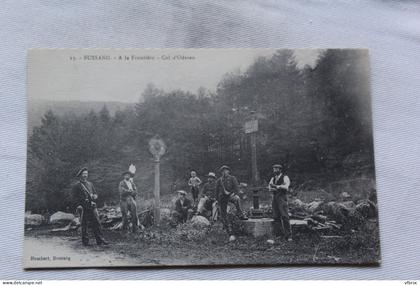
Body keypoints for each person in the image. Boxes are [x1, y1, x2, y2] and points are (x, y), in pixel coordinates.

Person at [72, 167, 108, 246]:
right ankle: (85, 241)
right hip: (84, 207)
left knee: (97, 223)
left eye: (86, 174)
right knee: (84, 224)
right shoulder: (77, 186)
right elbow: (74, 198)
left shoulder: (90, 184)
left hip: (92, 206)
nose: (85, 175)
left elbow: (95, 194)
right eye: (83, 174)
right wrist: (78, 205)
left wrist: (95, 196)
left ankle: (100, 240)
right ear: (80, 175)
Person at [216, 165, 248, 241]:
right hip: (222, 198)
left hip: (230, 195)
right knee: (223, 214)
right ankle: (228, 230)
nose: (224, 172)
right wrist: (217, 199)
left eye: (226, 170)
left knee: (237, 198)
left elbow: (236, 188)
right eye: (223, 171)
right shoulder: (219, 180)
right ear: (221, 172)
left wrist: (234, 193)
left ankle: (240, 213)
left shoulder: (232, 178)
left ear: (228, 171)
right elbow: (216, 191)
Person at [268, 164, 292, 242]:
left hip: (282, 197)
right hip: (275, 198)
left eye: (277, 169)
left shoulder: (285, 177)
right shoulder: (273, 178)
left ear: (280, 170)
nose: (275, 170)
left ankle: (288, 236)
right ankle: (279, 235)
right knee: (276, 216)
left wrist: (276, 186)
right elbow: (269, 187)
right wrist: (274, 188)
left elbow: (286, 187)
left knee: (285, 216)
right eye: (274, 169)